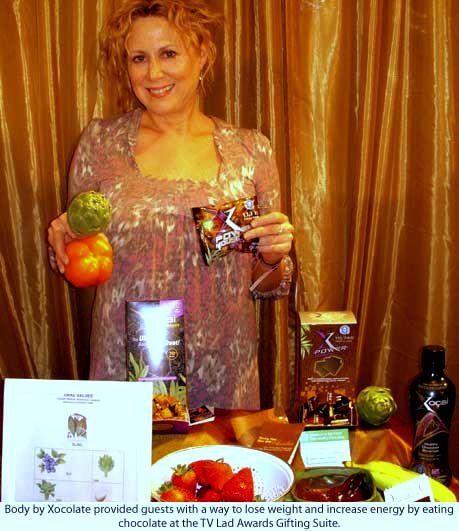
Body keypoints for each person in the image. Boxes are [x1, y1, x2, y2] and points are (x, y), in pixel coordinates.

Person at [47, 0, 294, 410]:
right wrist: (67, 241)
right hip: (126, 369)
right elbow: (82, 264)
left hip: (223, 373)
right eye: (139, 58)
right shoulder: (101, 144)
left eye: (168, 54)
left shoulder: (250, 151)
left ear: (203, 55)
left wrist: (272, 258)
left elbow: (268, 285)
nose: (154, 74)